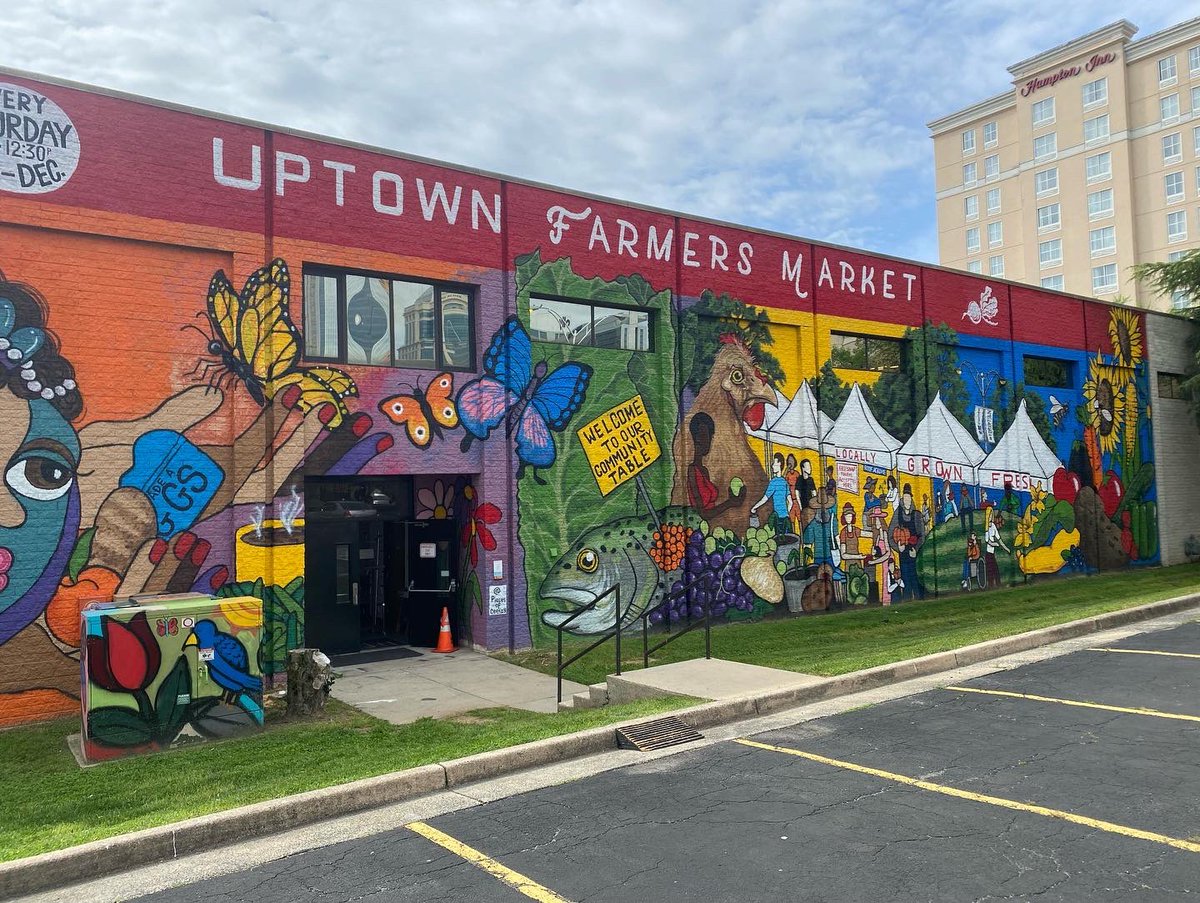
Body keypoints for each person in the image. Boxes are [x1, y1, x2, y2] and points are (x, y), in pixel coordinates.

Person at [686, 413, 743, 518]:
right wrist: (730, 503)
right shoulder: (692, 471)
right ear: (697, 438)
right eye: (706, 436)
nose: (709, 442)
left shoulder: (703, 471)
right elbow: (703, 514)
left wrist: (732, 502)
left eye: (710, 437)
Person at [888, 483, 924, 601]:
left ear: (911, 499)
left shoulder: (917, 515)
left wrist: (917, 549)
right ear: (902, 499)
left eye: (909, 498)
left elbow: (922, 536)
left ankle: (920, 601)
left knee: (916, 580)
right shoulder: (898, 514)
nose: (907, 501)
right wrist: (898, 548)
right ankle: (908, 602)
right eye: (905, 498)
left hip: (915, 555)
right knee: (906, 581)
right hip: (903, 554)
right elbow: (890, 535)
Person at [751, 452, 792, 535]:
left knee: (779, 541)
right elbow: (790, 502)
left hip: (778, 518)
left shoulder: (774, 482)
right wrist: (786, 512)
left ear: (779, 464)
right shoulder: (784, 482)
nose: (772, 466)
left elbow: (765, 498)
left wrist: (754, 507)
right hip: (786, 519)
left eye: (774, 463)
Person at [984, 505, 1011, 588]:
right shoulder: (987, 529)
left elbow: (999, 539)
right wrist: (995, 544)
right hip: (988, 554)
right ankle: (991, 586)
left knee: (996, 570)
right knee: (990, 571)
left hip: (992, 553)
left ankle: (998, 585)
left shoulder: (993, 526)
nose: (991, 517)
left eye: (992, 515)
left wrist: (1006, 549)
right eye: (990, 515)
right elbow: (988, 541)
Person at [783, 453, 802, 533]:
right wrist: (786, 469)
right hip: (791, 501)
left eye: (792, 460)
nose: (791, 462)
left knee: (800, 521)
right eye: (789, 461)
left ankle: (802, 540)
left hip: (797, 501)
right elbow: (783, 481)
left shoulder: (797, 474)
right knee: (792, 522)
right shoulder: (787, 474)